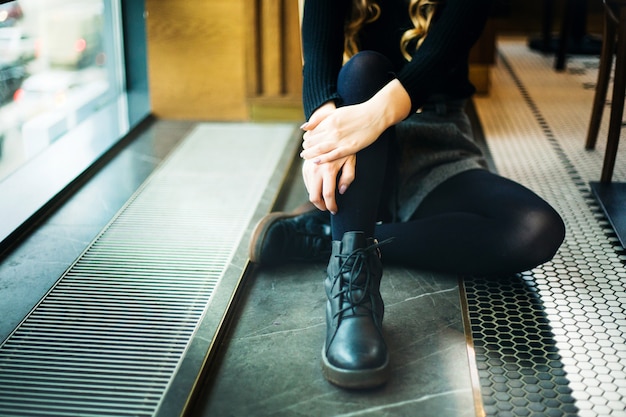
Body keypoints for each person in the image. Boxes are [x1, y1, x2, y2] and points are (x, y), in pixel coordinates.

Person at [249, 0, 566, 390]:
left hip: (435, 143)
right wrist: (323, 141)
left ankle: (325, 241)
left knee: (535, 228)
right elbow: (318, 61)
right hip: (356, 152)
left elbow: (437, 59)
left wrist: (373, 118)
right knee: (364, 67)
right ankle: (353, 296)